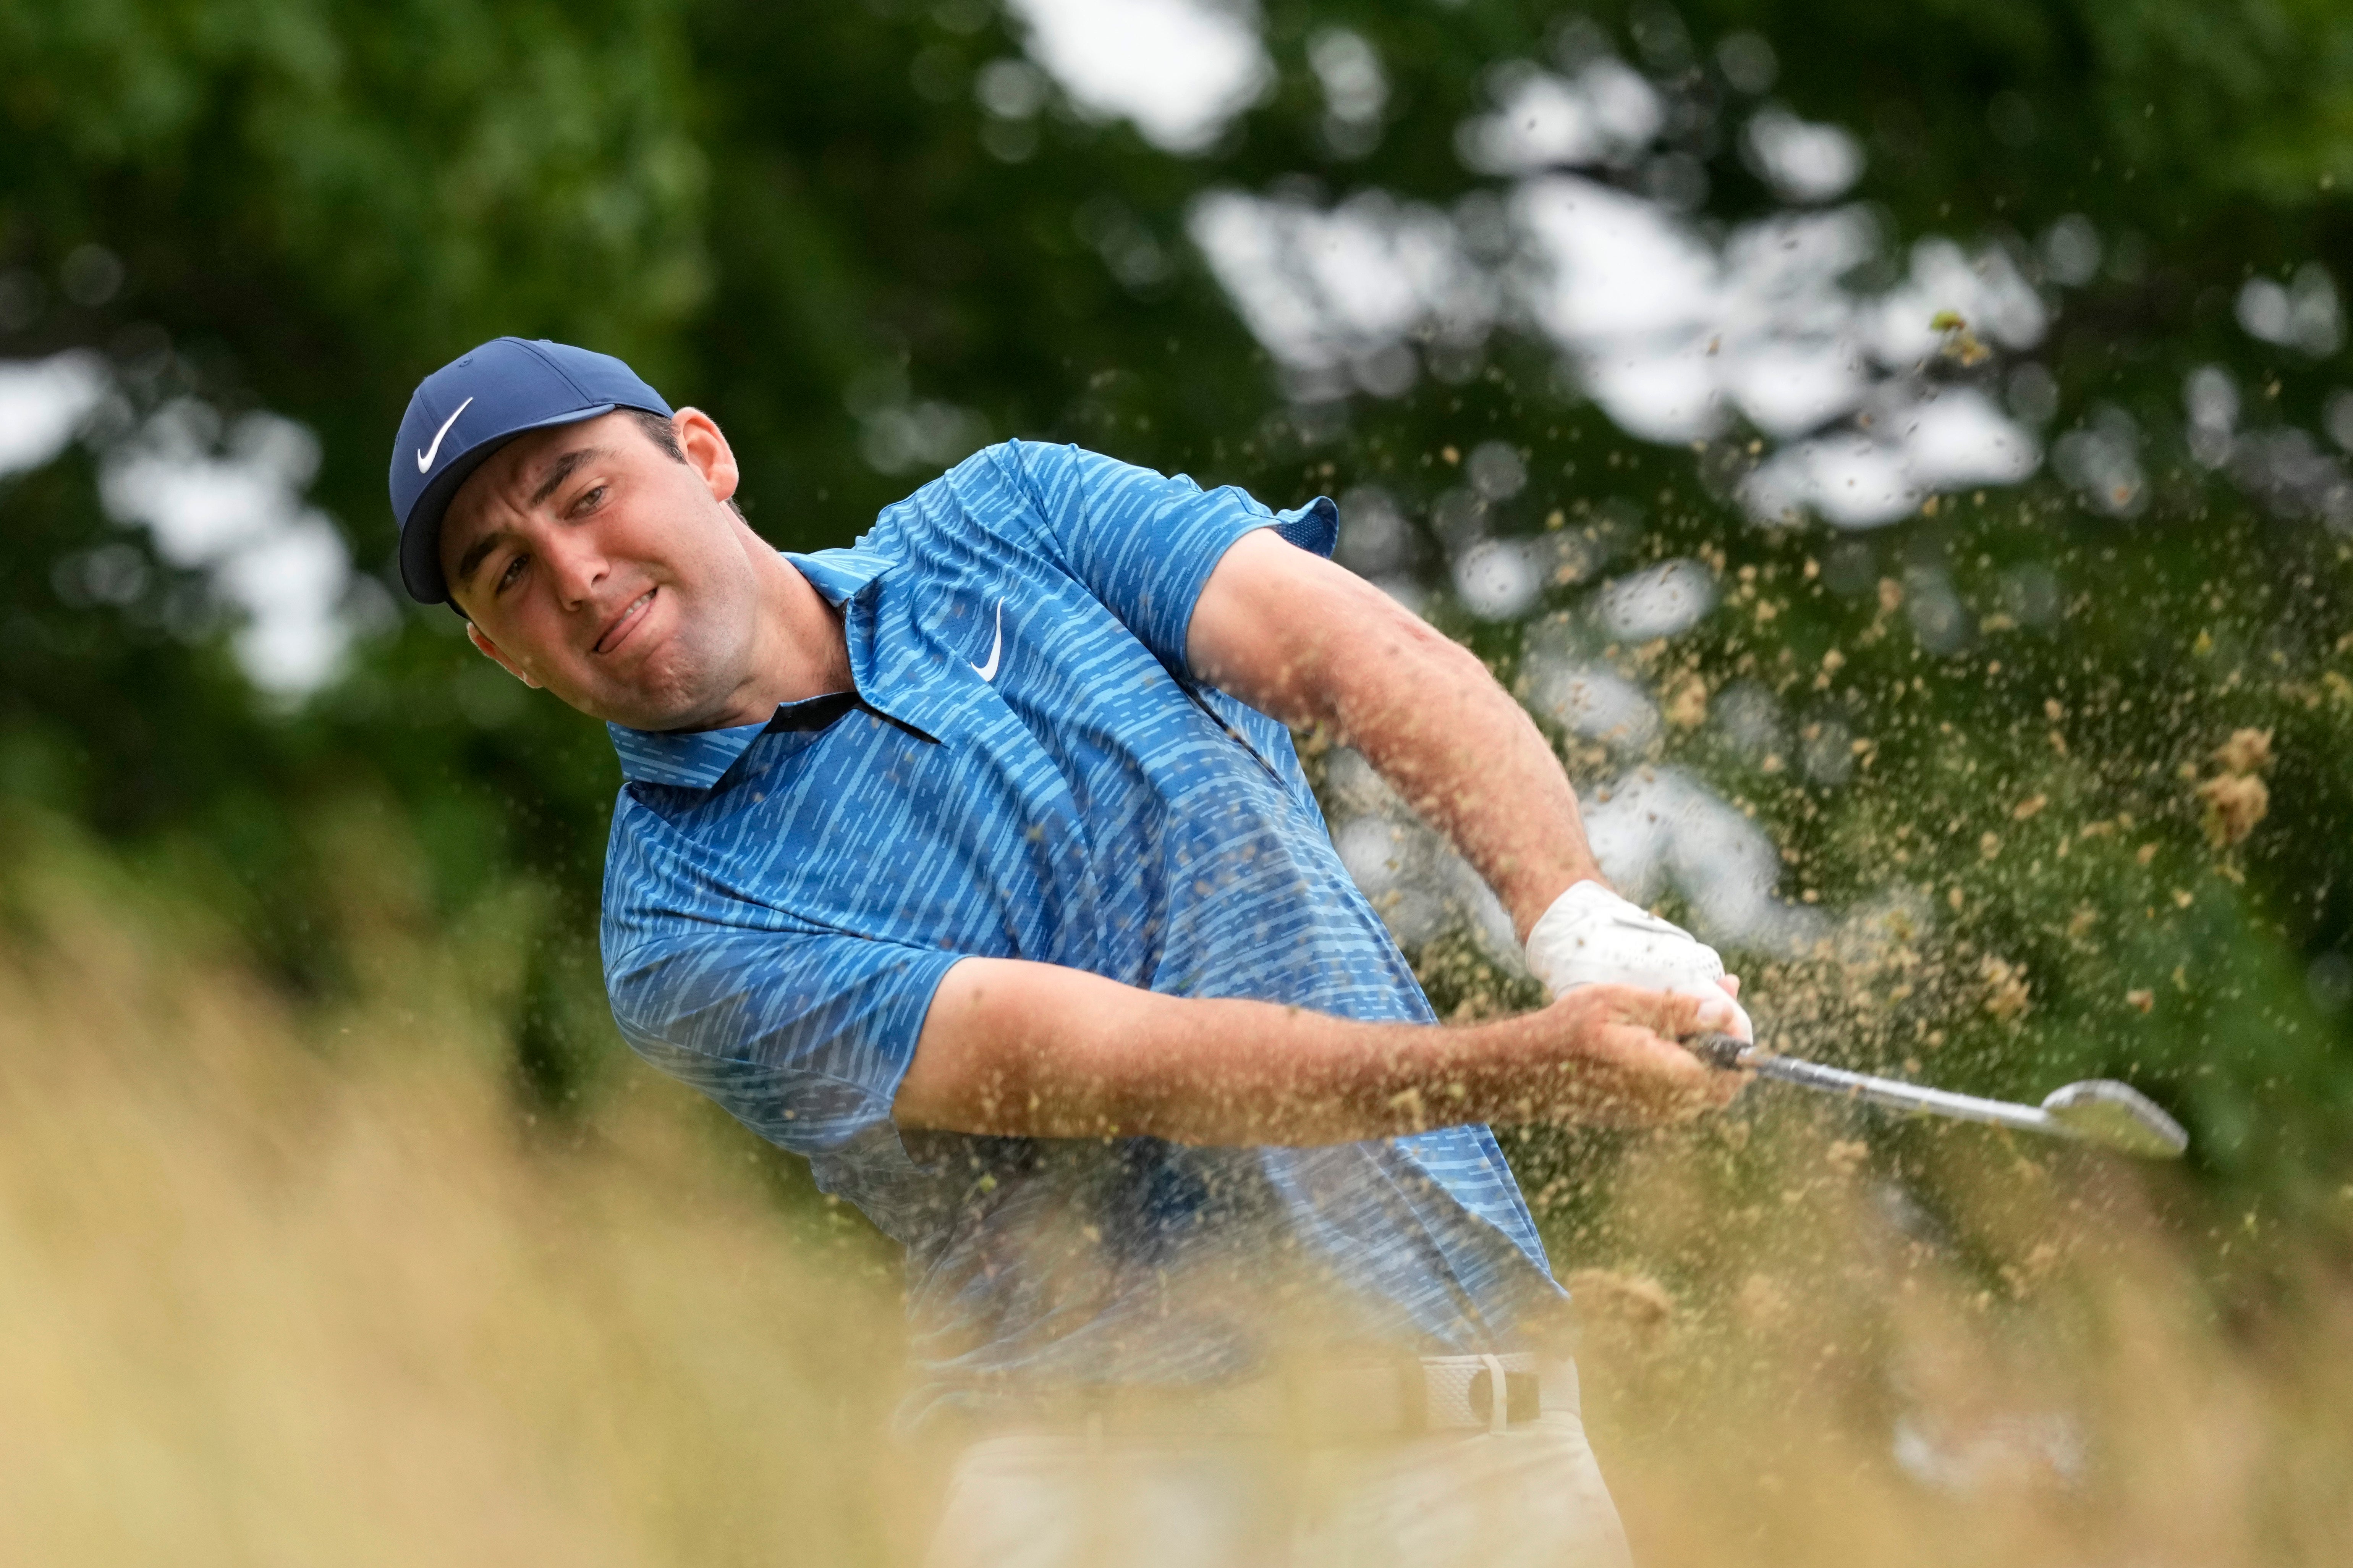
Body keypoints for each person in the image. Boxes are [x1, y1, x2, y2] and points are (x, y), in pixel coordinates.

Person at [388, 337, 1753, 1568]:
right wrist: (1528, 1065)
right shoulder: (678, 931)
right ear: (505, 653)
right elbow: (1120, 1062)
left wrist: (1572, 914)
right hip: (1114, 1490)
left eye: (583, 494)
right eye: (504, 571)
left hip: (1478, 1441)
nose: (574, 571)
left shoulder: (1014, 514)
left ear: (702, 455)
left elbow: (1342, 648)